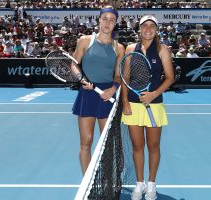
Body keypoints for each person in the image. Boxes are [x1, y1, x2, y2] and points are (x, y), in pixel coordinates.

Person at [121, 15, 175, 200]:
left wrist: (153, 94)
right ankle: (139, 183)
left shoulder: (163, 50)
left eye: (152, 26)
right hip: (133, 106)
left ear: (156, 29)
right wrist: (125, 101)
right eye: (145, 25)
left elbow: (170, 77)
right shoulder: (130, 49)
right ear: (139, 29)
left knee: (153, 146)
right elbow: (125, 78)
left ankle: (151, 184)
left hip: (155, 105)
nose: (148, 29)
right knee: (137, 146)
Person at [71, 5, 125, 175]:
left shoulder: (120, 48)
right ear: (99, 20)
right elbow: (73, 64)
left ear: (115, 23)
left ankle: (107, 180)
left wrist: (113, 88)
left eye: (112, 20)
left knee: (106, 143)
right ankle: (87, 181)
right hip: (87, 94)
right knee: (86, 141)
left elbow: (118, 76)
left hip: (106, 96)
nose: (108, 23)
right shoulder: (84, 41)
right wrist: (81, 79)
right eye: (105, 19)